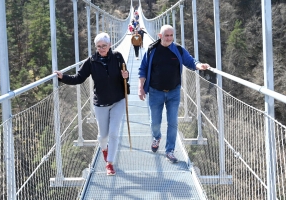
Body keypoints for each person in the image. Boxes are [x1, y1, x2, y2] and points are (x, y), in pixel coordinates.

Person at [54, 32, 129, 175]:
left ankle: (110, 163)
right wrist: (63, 77)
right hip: (101, 103)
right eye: (98, 46)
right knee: (103, 135)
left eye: (104, 46)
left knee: (113, 133)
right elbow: (79, 78)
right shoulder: (91, 61)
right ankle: (104, 148)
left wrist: (126, 75)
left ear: (110, 45)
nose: (101, 48)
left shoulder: (118, 57)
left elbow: (125, 75)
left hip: (118, 100)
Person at [138, 25, 210, 163]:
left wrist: (199, 66)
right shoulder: (152, 50)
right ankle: (156, 137)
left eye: (171, 35)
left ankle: (169, 150)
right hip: (155, 92)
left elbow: (190, 61)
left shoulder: (178, 49)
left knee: (173, 123)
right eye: (166, 35)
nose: (169, 38)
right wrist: (140, 87)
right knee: (155, 122)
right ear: (160, 36)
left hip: (174, 92)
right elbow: (143, 69)